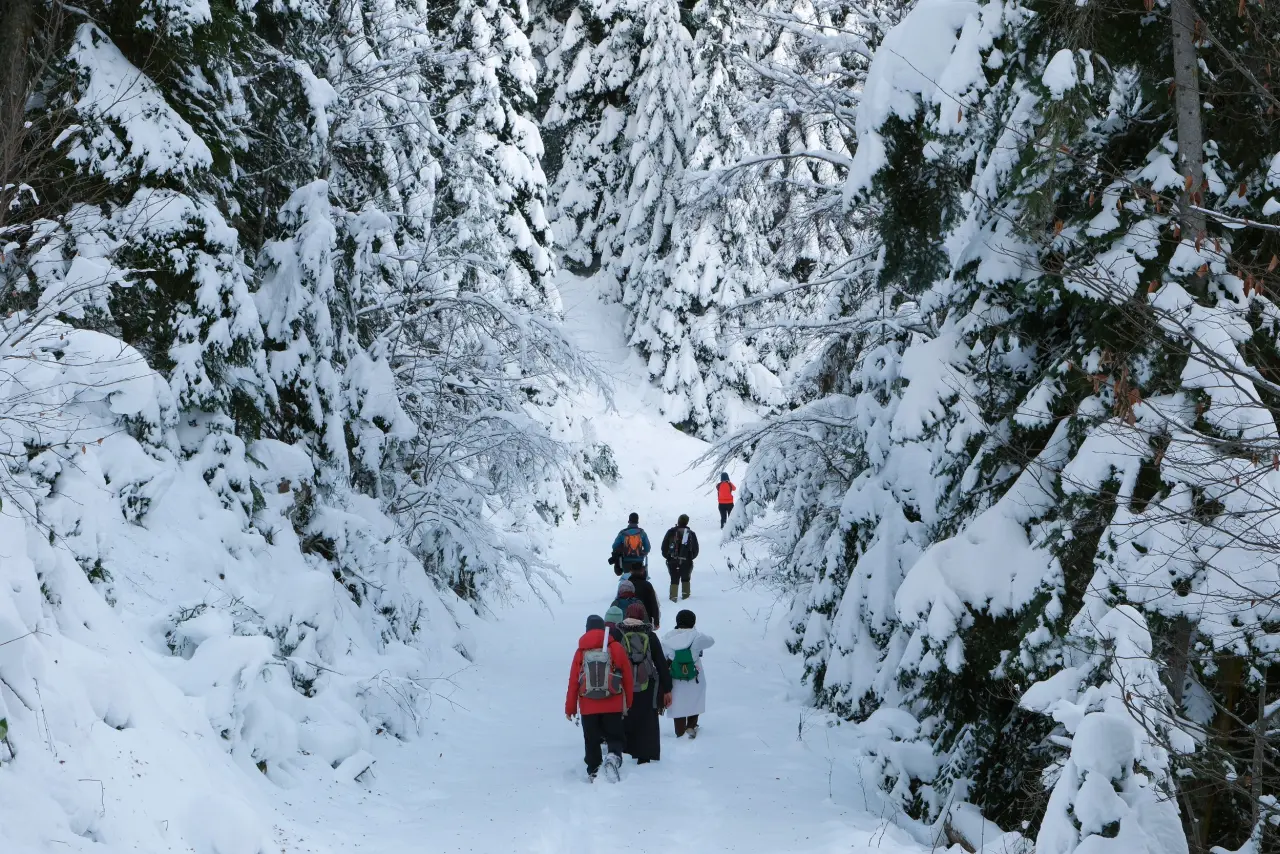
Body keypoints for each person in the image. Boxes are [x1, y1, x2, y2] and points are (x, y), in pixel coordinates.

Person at [565, 615, 635, 782]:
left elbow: (574, 681)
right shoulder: (616, 647)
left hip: (588, 705)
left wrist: (570, 708)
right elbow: (627, 677)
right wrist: (628, 701)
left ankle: (593, 771)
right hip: (613, 702)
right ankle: (613, 757)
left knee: (591, 740)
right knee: (615, 736)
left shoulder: (581, 652)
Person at [619, 603, 671, 764]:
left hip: (624, 685)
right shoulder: (650, 636)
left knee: (626, 717)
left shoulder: (618, 634)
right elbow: (661, 663)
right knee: (647, 719)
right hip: (647, 684)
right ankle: (645, 755)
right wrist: (667, 688)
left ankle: (625, 751)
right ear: (642, 617)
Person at [663, 609, 715, 739]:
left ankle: (680, 731)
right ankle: (691, 726)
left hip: (675, 677)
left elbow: (663, 654)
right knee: (695, 699)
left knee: (677, 703)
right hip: (694, 675)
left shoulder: (668, 637)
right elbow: (711, 641)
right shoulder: (697, 636)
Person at [660, 514, 700, 602]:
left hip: (672, 560)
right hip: (687, 561)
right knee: (686, 579)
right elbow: (696, 550)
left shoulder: (671, 532)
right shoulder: (691, 533)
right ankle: (686, 597)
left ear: (678, 521)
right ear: (687, 522)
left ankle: (673, 598)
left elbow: (664, 547)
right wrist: (690, 557)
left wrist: (668, 557)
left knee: (674, 579)